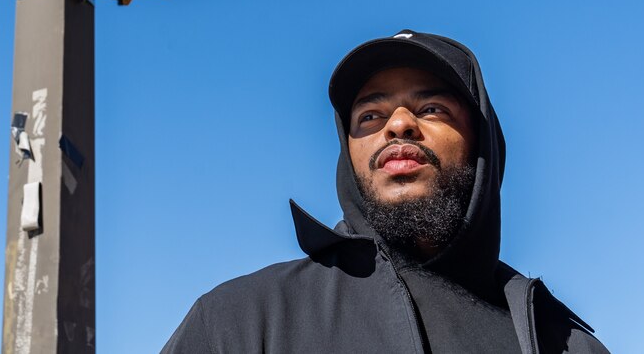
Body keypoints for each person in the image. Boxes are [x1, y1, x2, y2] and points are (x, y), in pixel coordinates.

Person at [162, 30, 609, 353]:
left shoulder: (565, 343)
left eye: (431, 108)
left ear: (482, 144)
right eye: (370, 115)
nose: (397, 124)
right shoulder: (240, 321)